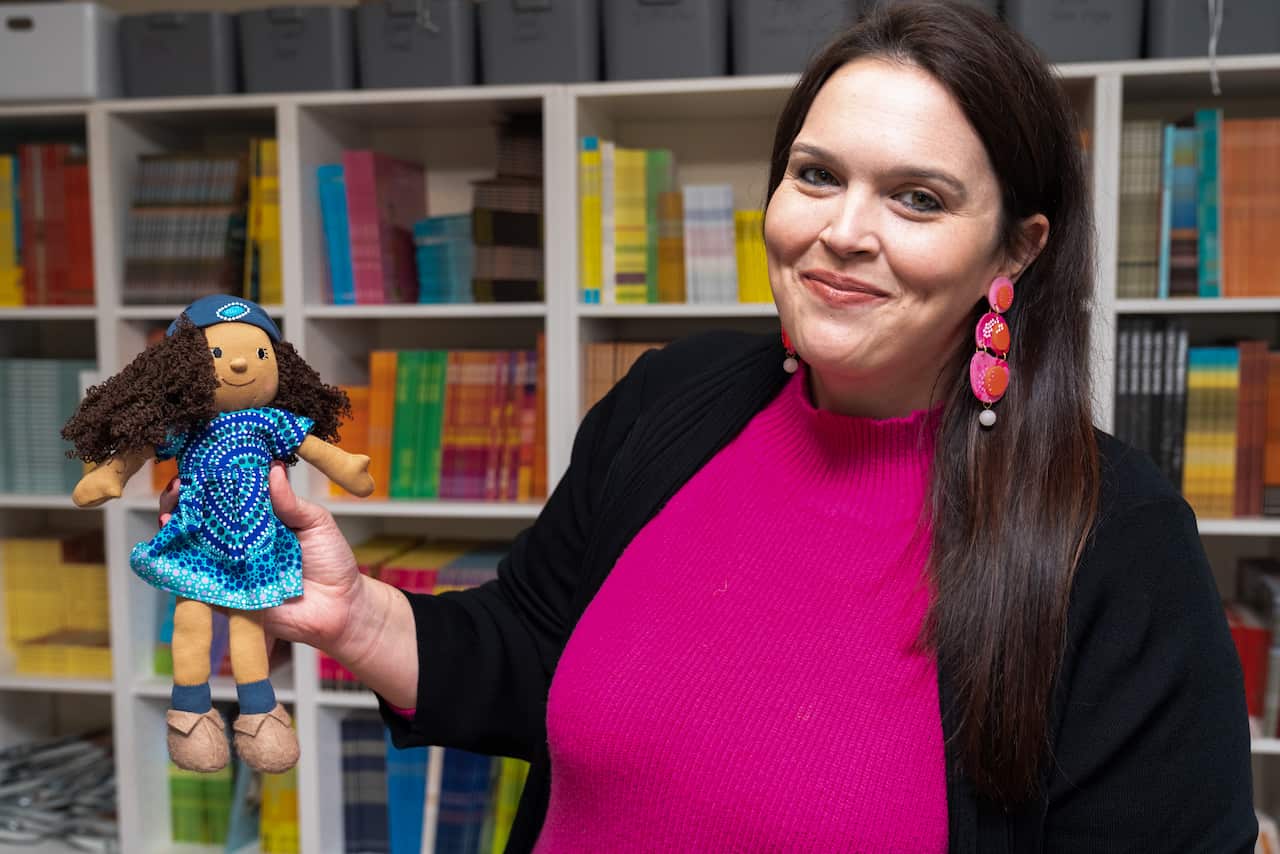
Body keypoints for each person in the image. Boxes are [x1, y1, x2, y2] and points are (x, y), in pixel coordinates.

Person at [161, 3, 1256, 851]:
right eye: (815, 176)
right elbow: (535, 654)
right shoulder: (675, 398)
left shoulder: (1118, 543)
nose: (842, 232)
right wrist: (359, 618)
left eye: (916, 198)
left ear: (1014, 248)